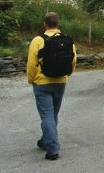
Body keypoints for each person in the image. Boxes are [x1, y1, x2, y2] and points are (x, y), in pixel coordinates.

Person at [26, 11, 76, 160]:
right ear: (57, 24)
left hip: (42, 83)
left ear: (45, 25)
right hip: (60, 82)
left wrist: (32, 80)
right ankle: (45, 139)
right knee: (52, 114)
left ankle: (52, 149)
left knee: (47, 115)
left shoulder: (37, 41)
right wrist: (66, 75)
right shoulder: (67, 40)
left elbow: (31, 64)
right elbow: (73, 61)